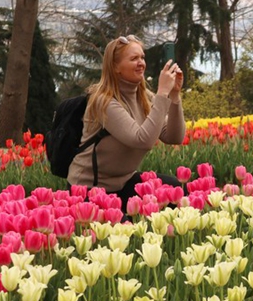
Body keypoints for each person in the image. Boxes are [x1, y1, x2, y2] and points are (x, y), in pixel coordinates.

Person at [67, 34, 186, 212]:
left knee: (178, 191)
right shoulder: (104, 101)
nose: (141, 63)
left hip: (124, 182)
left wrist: (175, 97)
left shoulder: (144, 97)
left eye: (142, 57)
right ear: (115, 67)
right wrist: (162, 93)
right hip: (90, 189)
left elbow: (174, 136)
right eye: (134, 58)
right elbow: (142, 141)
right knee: (124, 231)